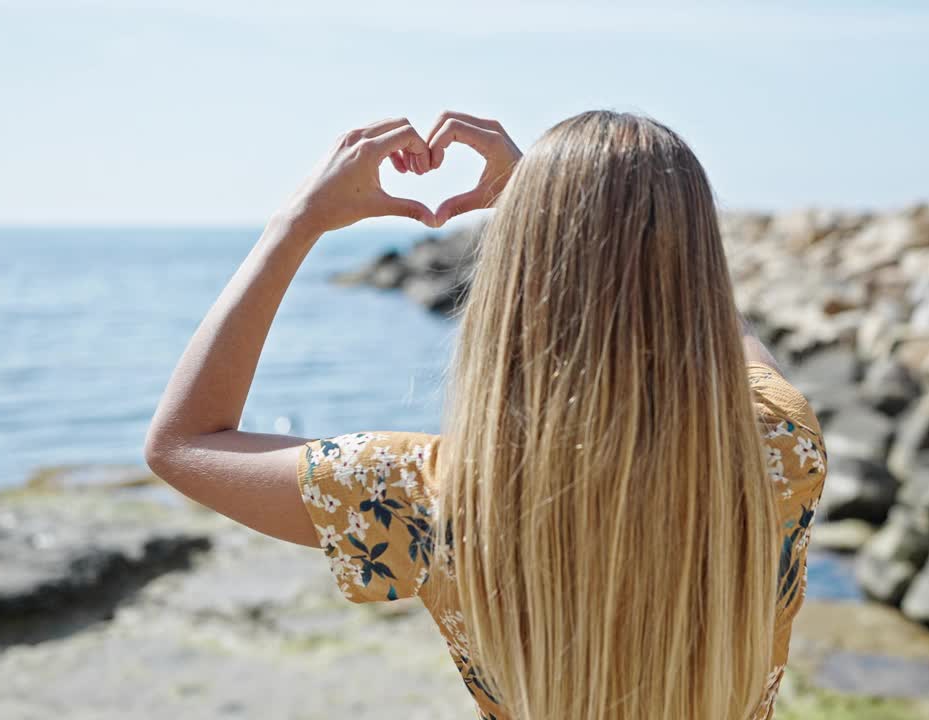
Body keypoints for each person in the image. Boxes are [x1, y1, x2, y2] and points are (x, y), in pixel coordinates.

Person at [145, 109, 827, 720]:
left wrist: (298, 221)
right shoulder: (781, 444)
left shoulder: (432, 496)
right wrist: (574, 206)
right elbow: (719, 330)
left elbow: (183, 442)